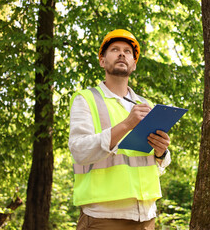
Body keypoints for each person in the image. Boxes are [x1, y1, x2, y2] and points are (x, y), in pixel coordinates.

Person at [68, 29, 171, 230]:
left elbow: (157, 164)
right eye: (114, 49)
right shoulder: (86, 99)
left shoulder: (146, 104)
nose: (122, 54)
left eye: (127, 51)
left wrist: (162, 152)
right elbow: (79, 151)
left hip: (147, 217)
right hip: (104, 217)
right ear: (102, 61)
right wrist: (126, 124)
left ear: (134, 64)